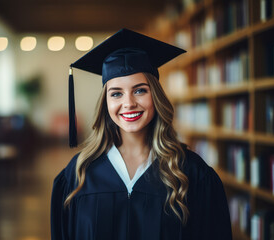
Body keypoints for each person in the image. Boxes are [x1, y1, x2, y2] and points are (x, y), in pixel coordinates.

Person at [51, 28, 232, 240]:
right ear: (105, 103)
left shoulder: (192, 173)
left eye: (140, 90)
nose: (128, 103)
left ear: (155, 96)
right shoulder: (78, 174)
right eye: (116, 93)